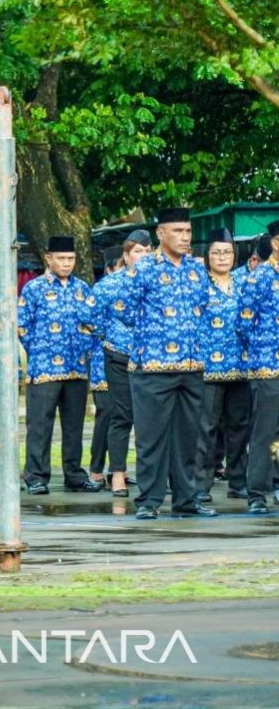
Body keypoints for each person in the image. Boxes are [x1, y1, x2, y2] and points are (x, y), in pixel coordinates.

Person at [112, 207, 215, 520]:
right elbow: (123, 309)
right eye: (177, 232)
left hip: (191, 366)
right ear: (160, 233)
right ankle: (149, 500)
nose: (185, 238)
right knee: (152, 438)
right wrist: (150, 336)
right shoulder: (144, 269)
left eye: (188, 232)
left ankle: (187, 499)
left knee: (188, 438)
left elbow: (204, 310)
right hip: (153, 367)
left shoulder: (196, 271)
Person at [18, 236, 98, 495]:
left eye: (71, 259)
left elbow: (91, 324)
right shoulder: (33, 289)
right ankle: (36, 475)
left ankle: (74, 474)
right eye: (61, 259)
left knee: (74, 425)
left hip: (77, 367)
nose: (66, 263)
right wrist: (41, 349)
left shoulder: (82, 289)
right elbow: (22, 327)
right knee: (40, 425)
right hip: (44, 369)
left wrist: (84, 347)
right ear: (49, 259)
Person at [85, 230, 151, 496]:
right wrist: (108, 334)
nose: (143, 256)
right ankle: (118, 474)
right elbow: (88, 314)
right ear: (126, 256)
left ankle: (152, 474)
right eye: (137, 251)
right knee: (121, 415)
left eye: (147, 251)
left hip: (152, 358)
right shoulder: (111, 284)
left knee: (151, 419)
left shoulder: (160, 283)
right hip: (119, 355)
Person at [196, 228, 249, 504]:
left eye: (227, 252)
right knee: (206, 428)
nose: (222, 257)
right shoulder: (199, 285)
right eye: (216, 252)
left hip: (241, 368)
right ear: (207, 255)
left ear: (234, 255)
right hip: (208, 370)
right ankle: (201, 484)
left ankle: (238, 481)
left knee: (240, 427)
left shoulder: (244, 283)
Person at [238, 219, 279, 515]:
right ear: (275, 243)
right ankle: (257, 491)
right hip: (268, 364)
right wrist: (262, 348)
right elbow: (244, 321)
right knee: (265, 430)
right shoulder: (262, 276)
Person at [86, 246, 123, 490]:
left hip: (126, 361)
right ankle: (96, 468)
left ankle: (117, 468)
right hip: (102, 360)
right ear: (109, 269)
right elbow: (89, 321)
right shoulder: (103, 290)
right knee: (106, 414)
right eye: (118, 266)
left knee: (123, 416)